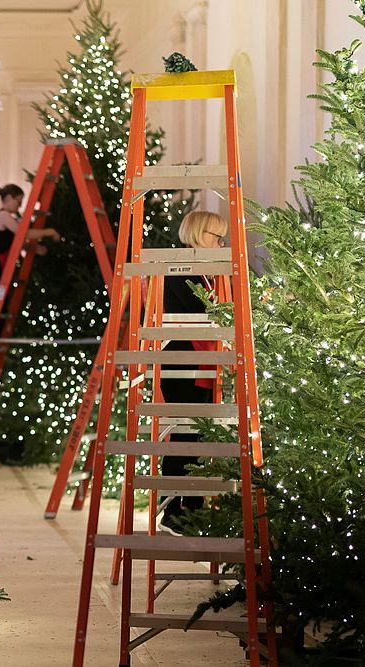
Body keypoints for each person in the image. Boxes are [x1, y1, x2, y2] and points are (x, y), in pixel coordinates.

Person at [158, 210, 229, 536]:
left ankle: (194, 511)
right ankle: (174, 511)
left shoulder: (205, 271)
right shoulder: (181, 268)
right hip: (183, 362)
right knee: (185, 436)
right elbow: (202, 311)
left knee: (198, 437)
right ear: (200, 234)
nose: (221, 242)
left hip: (201, 361)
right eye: (216, 235)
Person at [0, 184, 61, 382]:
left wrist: (36, 250)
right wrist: (49, 231)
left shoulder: (9, 218)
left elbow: (18, 241)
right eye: (18, 201)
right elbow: (22, 234)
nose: (19, 206)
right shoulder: (3, 216)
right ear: (9, 197)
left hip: (1, 272)